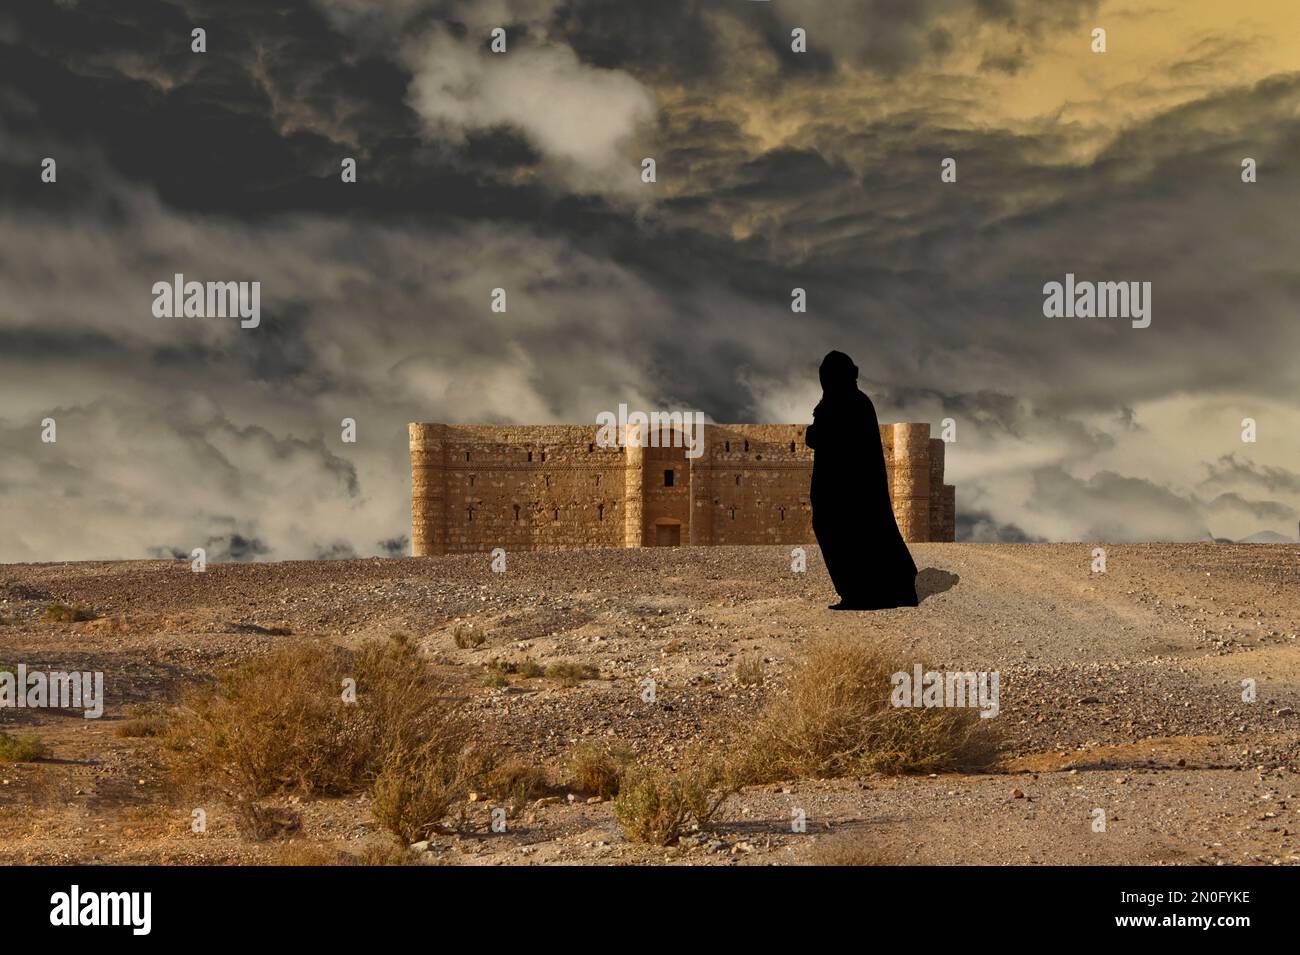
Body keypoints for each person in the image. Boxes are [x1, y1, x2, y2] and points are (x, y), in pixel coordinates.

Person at [805, 350, 919, 610]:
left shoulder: (841, 402)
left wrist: (813, 432)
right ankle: (878, 592)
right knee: (867, 534)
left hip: (841, 490)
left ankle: (859, 594)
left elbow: (821, 437)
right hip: (854, 488)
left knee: (845, 536)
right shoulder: (857, 401)